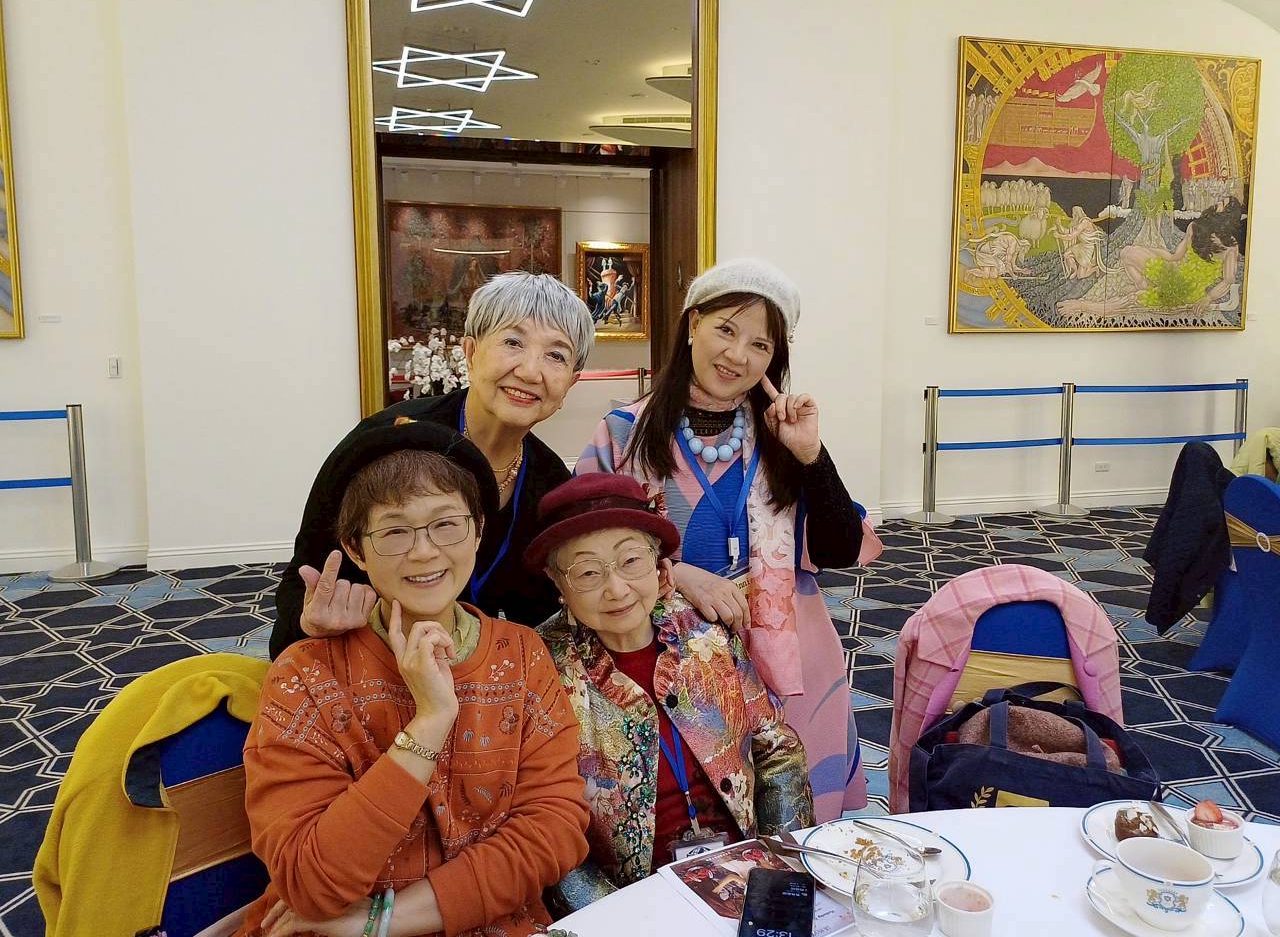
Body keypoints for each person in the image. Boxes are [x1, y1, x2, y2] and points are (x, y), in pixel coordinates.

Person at [237, 419, 589, 937]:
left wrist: (381, 920)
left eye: (446, 524)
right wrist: (430, 722)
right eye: (395, 531)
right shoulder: (306, 675)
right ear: (356, 549)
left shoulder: (521, 654)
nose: (424, 552)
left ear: (478, 531)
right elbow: (310, 883)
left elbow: (554, 830)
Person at [576, 257, 869, 821]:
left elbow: (841, 549)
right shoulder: (623, 433)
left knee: (799, 823)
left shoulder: (781, 433)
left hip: (790, 663)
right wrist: (678, 572)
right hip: (669, 663)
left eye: (760, 345)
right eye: (726, 330)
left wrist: (810, 455)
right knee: (700, 821)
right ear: (693, 325)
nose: (738, 355)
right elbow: (585, 549)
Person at [271, 271, 596, 659]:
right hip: (365, 655)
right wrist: (311, 622)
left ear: (571, 383)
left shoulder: (550, 482)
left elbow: (540, 617)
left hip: (471, 665)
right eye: (513, 342)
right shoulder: (383, 442)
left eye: (556, 355)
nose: (530, 371)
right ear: (471, 353)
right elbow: (303, 579)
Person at [528, 474, 813, 909]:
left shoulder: (705, 633)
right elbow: (541, 824)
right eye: (587, 572)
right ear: (557, 582)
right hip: (629, 898)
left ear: (659, 562)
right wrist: (619, 917)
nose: (616, 589)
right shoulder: (540, 667)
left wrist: (780, 872)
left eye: (631, 560)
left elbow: (777, 752)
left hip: (746, 871)